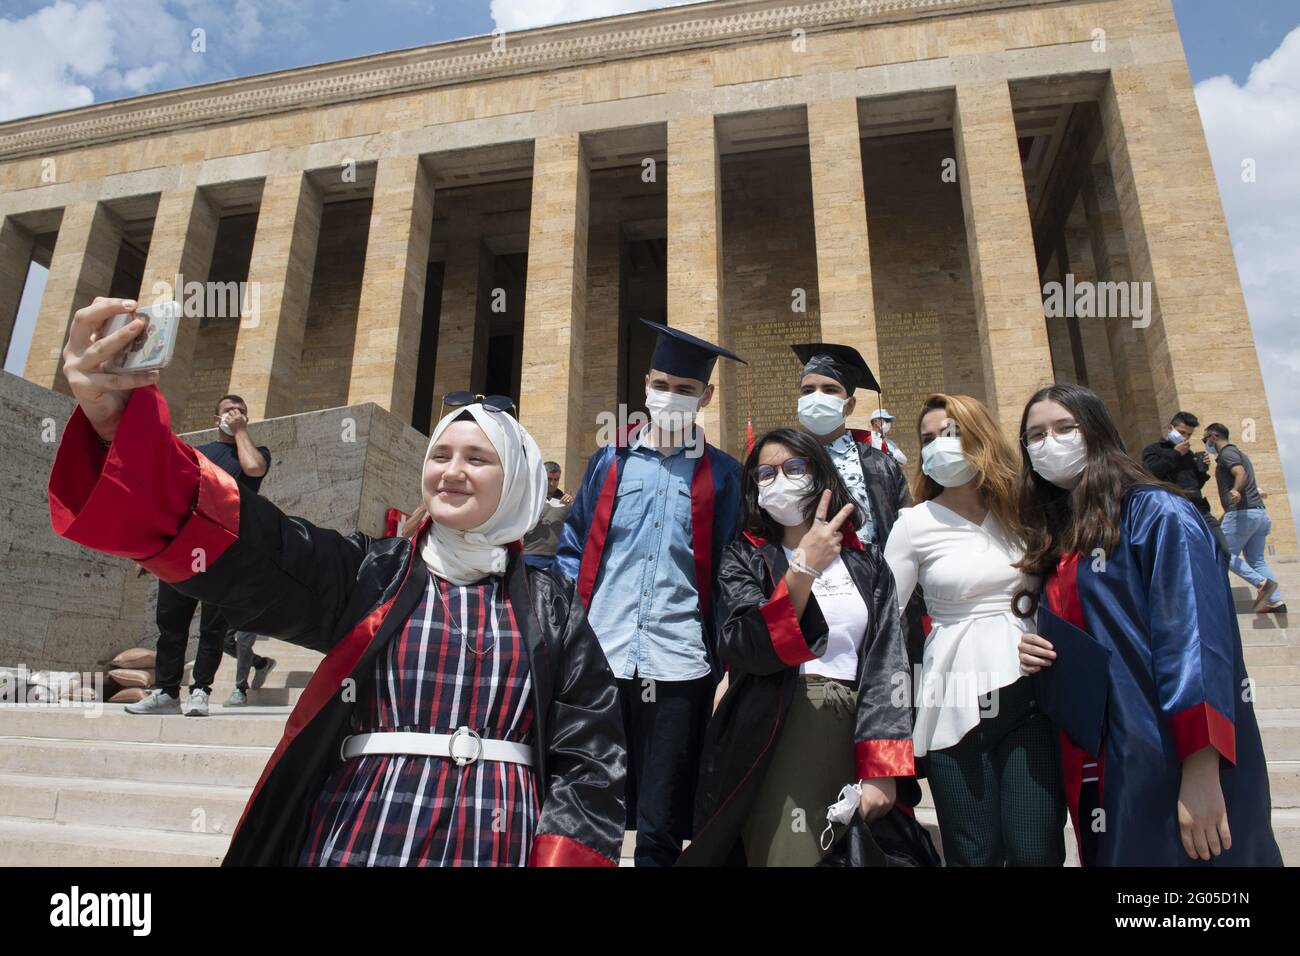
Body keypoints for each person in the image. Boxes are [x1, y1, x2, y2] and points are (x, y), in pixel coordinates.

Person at [49, 297, 626, 866]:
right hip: (367, 826)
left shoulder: (551, 605)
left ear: (518, 481)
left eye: (478, 459)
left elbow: (590, 756)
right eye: (441, 453)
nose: (451, 471)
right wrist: (115, 426)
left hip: (494, 835)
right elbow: (256, 546)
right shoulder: (371, 573)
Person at [1015, 384, 1281, 866]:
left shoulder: (1157, 513)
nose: (1048, 443)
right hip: (1114, 753)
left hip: (1170, 750)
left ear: (1095, 433)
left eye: (1063, 428)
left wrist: (1201, 771)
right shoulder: (1068, 533)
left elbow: (1197, 641)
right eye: (1035, 435)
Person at [556, 318, 744, 867]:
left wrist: (728, 659)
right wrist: (570, 622)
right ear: (644, 384)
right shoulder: (609, 460)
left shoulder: (724, 476)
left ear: (706, 395)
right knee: (590, 804)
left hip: (679, 662)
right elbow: (574, 545)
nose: (670, 398)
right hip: (602, 654)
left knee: (661, 820)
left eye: (685, 390)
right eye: (662, 385)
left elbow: (731, 568)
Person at [680, 428, 915, 866]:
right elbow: (745, 643)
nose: (779, 481)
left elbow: (888, 661)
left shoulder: (867, 563)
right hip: (781, 721)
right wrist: (803, 567)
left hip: (856, 723)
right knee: (791, 853)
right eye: (765, 474)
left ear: (820, 474)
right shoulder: (745, 558)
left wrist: (884, 765)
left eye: (793, 468)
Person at [883, 393, 1066, 866]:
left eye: (950, 433)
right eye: (927, 439)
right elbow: (883, 621)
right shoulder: (912, 524)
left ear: (980, 435)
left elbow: (1065, 589)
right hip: (951, 699)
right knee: (973, 852)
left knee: (1035, 848)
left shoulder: (1028, 511)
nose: (937, 447)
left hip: (1030, 695)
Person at [126, 393, 273, 717]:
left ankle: (200, 691)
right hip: (182, 549)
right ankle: (166, 692)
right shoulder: (197, 453)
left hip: (224, 552)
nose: (234, 414)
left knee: (213, 627)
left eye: (240, 411)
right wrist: (150, 552)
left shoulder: (254, 452)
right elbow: (173, 500)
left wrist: (240, 432)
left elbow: (253, 467)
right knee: (172, 622)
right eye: (227, 411)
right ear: (214, 418)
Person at [790, 344, 909, 546]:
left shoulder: (879, 464)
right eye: (808, 390)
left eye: (830, 390)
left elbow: (902, 531)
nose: (817, 397)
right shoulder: (779, 460)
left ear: (850, 405)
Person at [1203, 422, 1286, 614]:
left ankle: (1261, 584)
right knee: (1256, 560)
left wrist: (1235, 490)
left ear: (1214, 437)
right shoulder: (1241, 454)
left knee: (1223, 554)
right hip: (1258, 514)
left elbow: (1240, 474)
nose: (1206, 442)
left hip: (1243, 514)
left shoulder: (1227, 454)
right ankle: (1275, 601)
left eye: (1205, 438)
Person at [1141, 411, 1228, 554]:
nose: (1185, 437)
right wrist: (1175, 454)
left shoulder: (1188, 454)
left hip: (1199, 508)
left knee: (1222, 550)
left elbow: (1195, 485)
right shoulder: (1153, 450)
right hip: (1173, 508)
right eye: (1182, 432)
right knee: (1185, 554)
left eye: (1189, 434)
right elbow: (1151, 473)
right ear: (1170, 428)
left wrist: (1201, 470)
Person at [521, 461, 573, 571]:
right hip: (531, 555)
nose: (552, 484)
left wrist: (572, 506)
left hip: (557, 557)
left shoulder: (566, 501)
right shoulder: (529, 499)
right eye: (549, 479)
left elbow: (576, 527)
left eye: (556, 479)